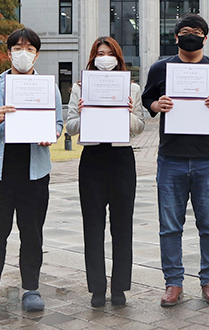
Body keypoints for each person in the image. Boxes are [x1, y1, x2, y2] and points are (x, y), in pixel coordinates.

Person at [141, 13, 209, 307]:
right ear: (176, 37)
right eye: (185, 31)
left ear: (206, 38)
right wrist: (158, 104)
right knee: (170, 226)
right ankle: (173, 283)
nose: (190, 35)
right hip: (171, 159)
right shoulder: (161, 69)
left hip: (208, 159)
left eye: (196, 31)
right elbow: (147, 100)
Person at [0, 28, 63, 315]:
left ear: (37, 54)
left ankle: (31, 288)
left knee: (32, 234)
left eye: (30, 49)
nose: (24, 54)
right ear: (8, 53)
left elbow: (57, 123)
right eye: (18, 48)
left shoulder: (48, 87)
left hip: (34, 173)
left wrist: (51, 135)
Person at [65, 37, 145, 308]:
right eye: (100, 53)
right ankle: (97, 287)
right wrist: (84, 110)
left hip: (121, 158)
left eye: (109, 53)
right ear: (93, 57)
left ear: (118, 57)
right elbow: (71, 126)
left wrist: (126, 112)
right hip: (92, 159)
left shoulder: (132, 87)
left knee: (122, 226)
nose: (105, 58)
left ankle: (120, 287)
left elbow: (140, 126)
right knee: (93, 225)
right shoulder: (80, 88)